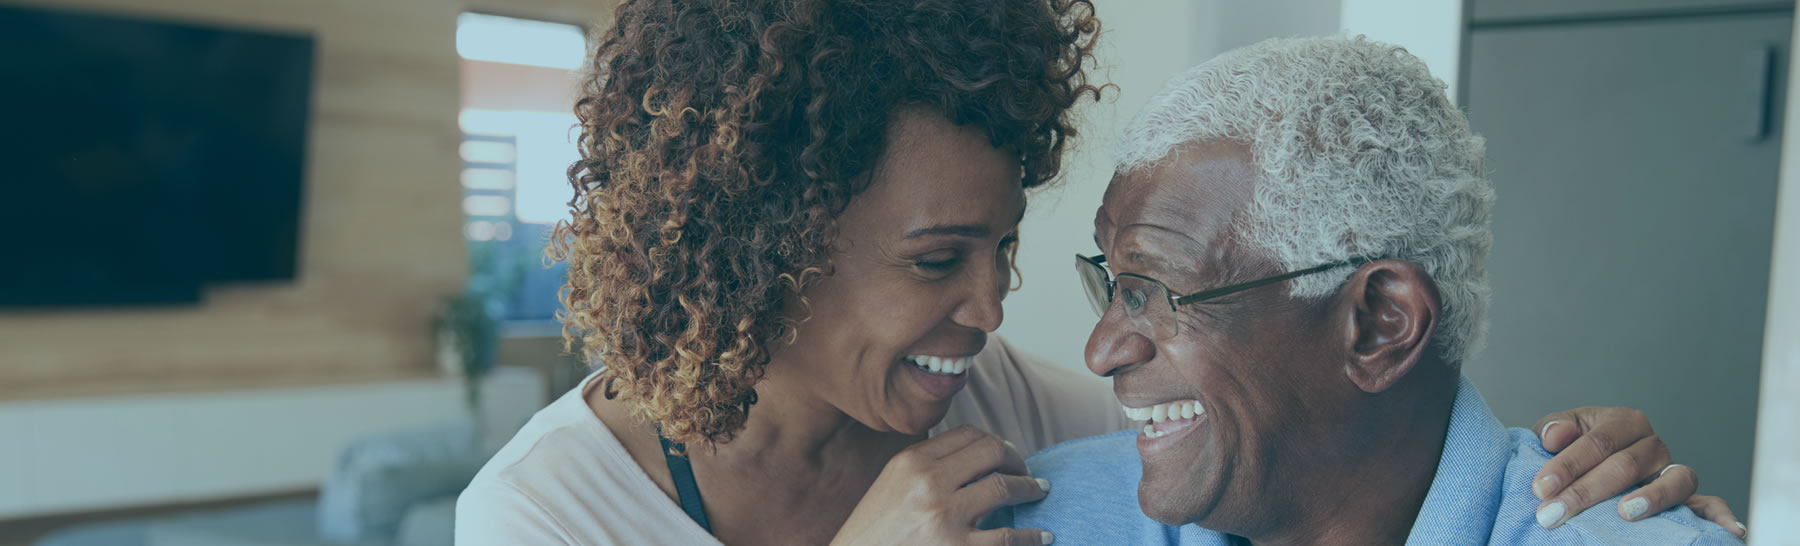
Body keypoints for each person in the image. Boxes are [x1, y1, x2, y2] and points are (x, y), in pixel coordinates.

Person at [455, 2, 1738, 543]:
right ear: (766, 249)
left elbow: (1304, 429)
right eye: (937, 260)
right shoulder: (542, 513)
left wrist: (1583, 475)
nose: (998, 313)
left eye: (1008, 250)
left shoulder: (1030, 445)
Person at [1001, 35, 1747, 544]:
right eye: (1113, 284)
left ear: (1381, 324)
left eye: (1155, 290)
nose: (1101, 351)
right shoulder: (1030, 522)